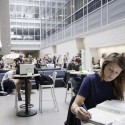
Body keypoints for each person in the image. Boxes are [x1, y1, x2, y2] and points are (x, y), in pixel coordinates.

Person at [70, 53, 125, 125]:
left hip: (111, 119)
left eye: (117, 72)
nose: (112, 74)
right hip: (92, 120)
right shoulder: (90, 80)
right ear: (104, 65)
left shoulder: (118, 82)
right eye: (110, 69)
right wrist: (77, 110)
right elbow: (74, 105)